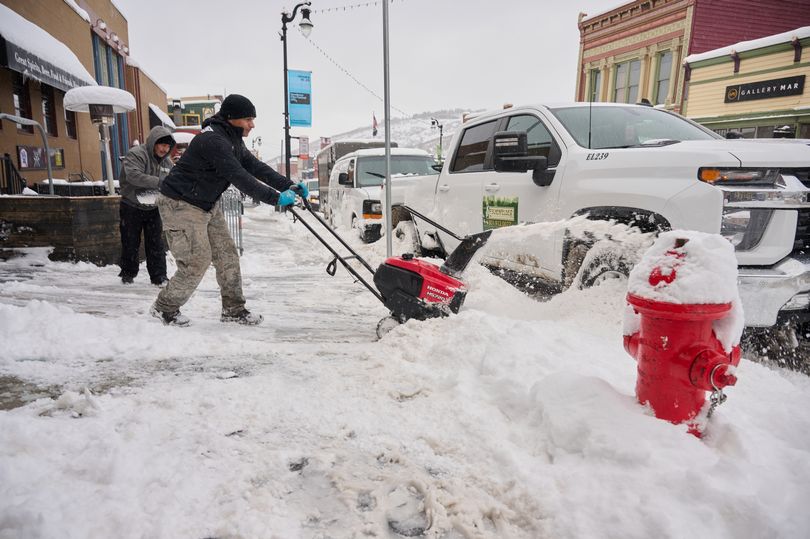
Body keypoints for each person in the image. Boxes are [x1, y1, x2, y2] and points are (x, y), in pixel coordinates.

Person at [150, 94, 308, 327]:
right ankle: (164, 308)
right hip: (180, 204)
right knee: (197, 260)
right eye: (248, 119)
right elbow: (239, 177)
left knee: (227, 255)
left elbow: (255, 167)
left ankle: (234, 309)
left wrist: (288, 185)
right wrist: (276, 198)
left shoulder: (231, 139)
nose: (252, 125)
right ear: (232, 118)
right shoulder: (213, 141)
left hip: (205, 204)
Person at [118, 126, 175, 285]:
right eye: (162, 145)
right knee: (130, 241)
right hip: (131, 205)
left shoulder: (167, 162)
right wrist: (159, 182)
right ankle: (128, 274)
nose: (165, 149)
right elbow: (133, 176)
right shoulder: (137, 154)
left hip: (153, 206)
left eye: (167, 146)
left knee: (156, 243)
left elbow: (174, 178)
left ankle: (159, 277)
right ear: (153, 143)